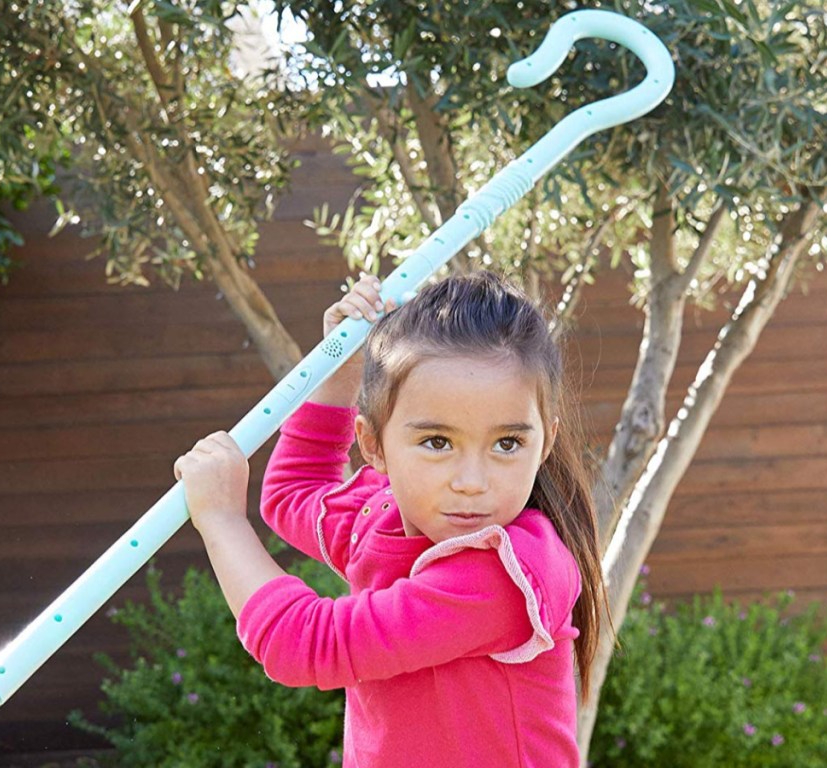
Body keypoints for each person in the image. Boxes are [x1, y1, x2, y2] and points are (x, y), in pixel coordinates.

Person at [174, 271, 607, 767]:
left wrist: (223, 521)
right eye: (437, 442)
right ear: (373, 444)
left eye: (507, 444)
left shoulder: (507, 574)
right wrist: (341, 368)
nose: (472, 481)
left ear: (544, 442)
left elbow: (305, 644)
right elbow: (295, 493)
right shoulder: (378, 518)